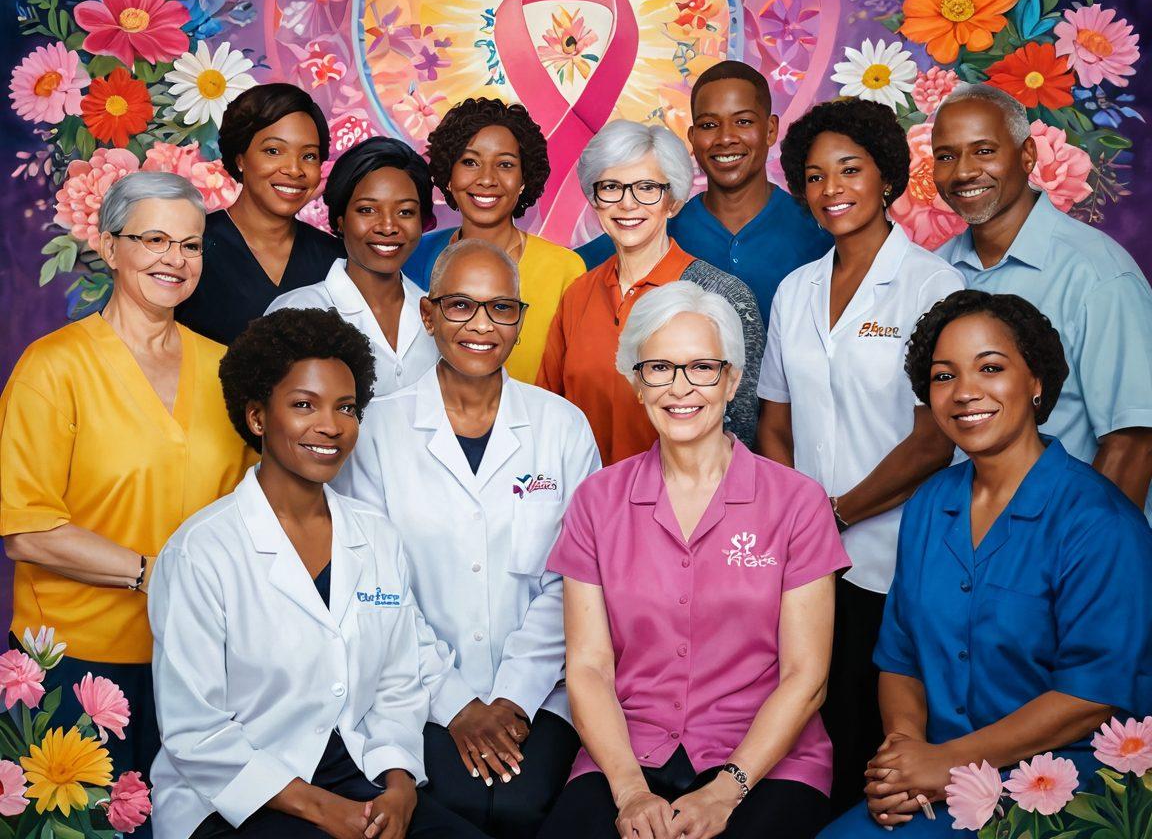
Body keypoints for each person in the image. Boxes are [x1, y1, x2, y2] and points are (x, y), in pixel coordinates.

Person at [819, 289, 1152, 837]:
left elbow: (1091, 694)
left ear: (1036, 381)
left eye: (990, 368)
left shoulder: (1099, 522)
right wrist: (902, 756)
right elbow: (901, 658)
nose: (965, 392)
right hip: (940, 779)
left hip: (1067, 783)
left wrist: (944, 760)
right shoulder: (929, 504)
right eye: (944, 376)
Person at [150, 308, 487, 839]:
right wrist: (324, 810)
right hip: (236, 798)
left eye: (346, 407)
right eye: (304, 405)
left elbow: (398, 685)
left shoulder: (375, 536)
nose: (330, 426)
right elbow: (196, 732)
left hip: (358, 776)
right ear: (258, 417)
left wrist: (399, 788)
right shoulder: (201, 552)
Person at [538, 282, 849, 839]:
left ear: (732, 381)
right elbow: (587, 667)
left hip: (764, 762)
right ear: (636, 382)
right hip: (627, 754)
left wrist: (725, 791)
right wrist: (631, 790)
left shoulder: (797, 502)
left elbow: (806, 676)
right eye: (659, 368)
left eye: (703, 367)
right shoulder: (596, 501)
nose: (680, 388)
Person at [333, 240, 599, 838]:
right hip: (416, 688)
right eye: (460, 306)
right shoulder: (376, 430)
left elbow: (574, 580)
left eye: (501, 308)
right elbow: (376, 587)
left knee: (521, 804)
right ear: (428, 315)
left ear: (521, 320)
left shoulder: (562, 427)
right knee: (454, 808)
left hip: (538, 693)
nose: (481, 326)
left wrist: (513, 698)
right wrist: (454, 703)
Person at [0, 173, 251, 779]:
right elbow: (27, 530)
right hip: (75, 663)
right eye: (154, 239)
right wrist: (156, 577)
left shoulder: (226, 369)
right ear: (110, 248)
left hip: (202, 666)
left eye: (190, 245)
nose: (175, 259)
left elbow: (249, 511)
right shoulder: (53, 368)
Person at [757, 98, 963, 813]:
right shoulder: (795, 290)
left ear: (886, 177)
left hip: (894, 554)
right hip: (806, 559)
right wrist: (798, 517)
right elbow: (774, 422)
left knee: (874, 726)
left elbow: (936, 437)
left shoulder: (931, 285)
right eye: (814, 176)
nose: (831, 188)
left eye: (850, 169)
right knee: (811, 721)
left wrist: (834, 513)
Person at [931, 82, 1152, 521]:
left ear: (1027, 156)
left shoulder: (1097, 275)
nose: (963, 172)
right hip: (963, 543)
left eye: (984, 150)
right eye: (946, 155)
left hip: (1061, 553)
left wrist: (1077, 560)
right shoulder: (935, 274)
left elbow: (1133, 441)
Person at [538, 120, 765, 465]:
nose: (627, 204)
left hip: (684, 508)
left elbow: (741, 433)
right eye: (611, 186)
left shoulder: (722, 294)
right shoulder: (577, 295)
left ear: (672, 201)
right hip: (587, 505)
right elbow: (548, 414)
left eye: (646, 187)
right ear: (595, 200)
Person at [576, 61, 831, 325]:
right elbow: (568, 267)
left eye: (743, 121)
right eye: (709, 125)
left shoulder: (819, 232)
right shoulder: (657, 228)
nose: (725, 138)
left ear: (770, 130)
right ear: (692, 137)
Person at [400, 98, 585, 384]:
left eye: (505, 164)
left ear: (524, 179)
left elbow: (575, 382)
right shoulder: (414, 257)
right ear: (449, 174)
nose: (487, 179)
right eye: (470, 162)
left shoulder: (565, 270)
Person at [266, 137, 439, 398]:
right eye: (368, 210)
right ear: (340, 220)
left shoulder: (439, 314)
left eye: (405, 212)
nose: (388, 226)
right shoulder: (297, 312)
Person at [176, 83, 343, 344]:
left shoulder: (337, 260)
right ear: (240, 158)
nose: (294, 169)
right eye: (273, 151)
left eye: (309, 156)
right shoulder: (188, 245)